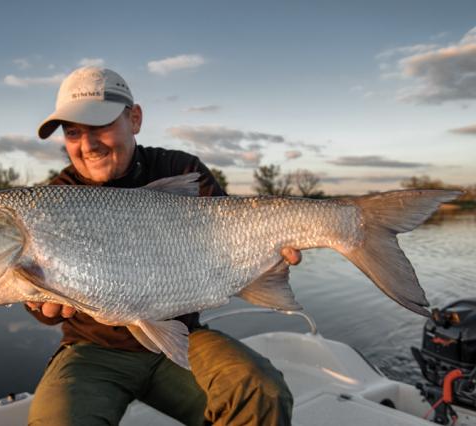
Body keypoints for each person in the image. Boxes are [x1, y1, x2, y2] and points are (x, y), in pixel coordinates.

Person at [25, 66, 300, 426]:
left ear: (134, 119)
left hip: (183, 337)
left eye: (100, 126)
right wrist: (37, 302)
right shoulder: (51, 201)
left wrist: (270, 253)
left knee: (262, 391)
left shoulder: (180, 168)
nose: (87, 145)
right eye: (73, 133)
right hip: (95, 349)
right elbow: (36, 301)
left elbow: (231, 246)